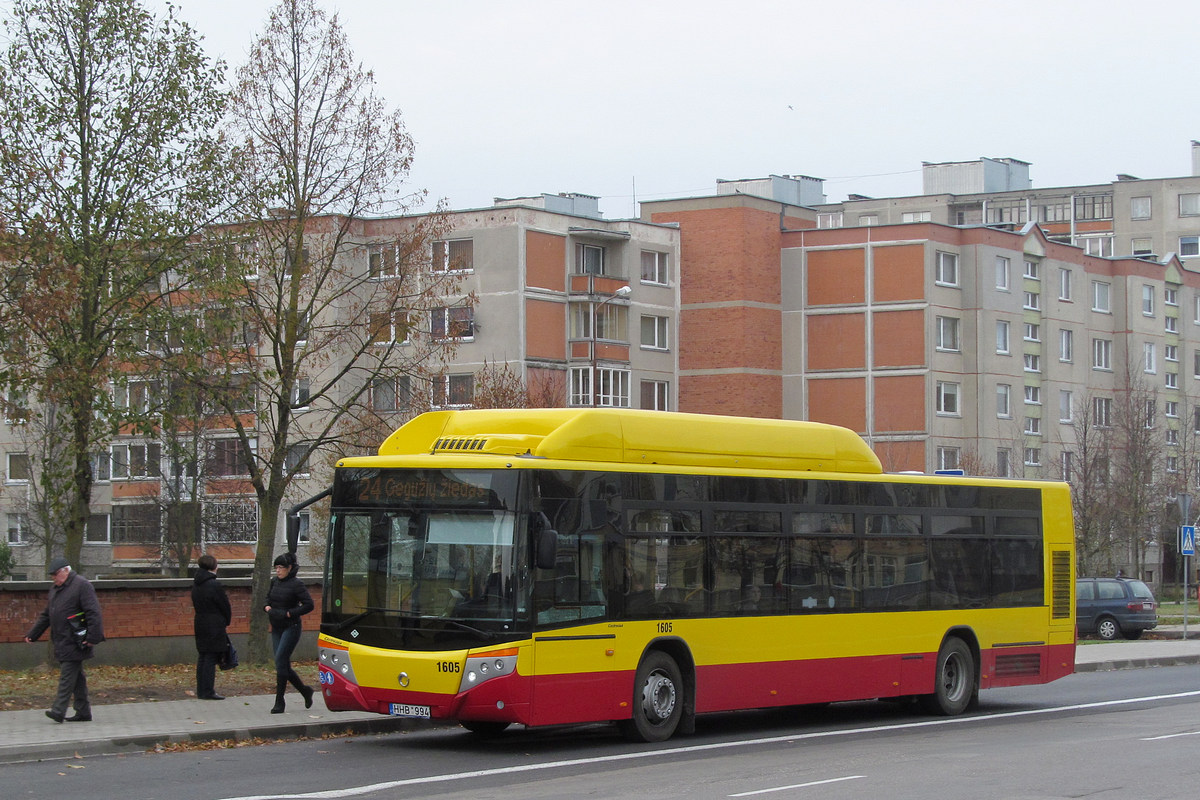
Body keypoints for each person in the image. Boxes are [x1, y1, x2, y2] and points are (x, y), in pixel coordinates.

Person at [24, 556, 106, 723]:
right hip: (62, 639)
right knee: (77, 679)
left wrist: (93, 638)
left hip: (77, 640)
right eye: (52, 576)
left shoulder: (82, 585)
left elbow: (93, 612)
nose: (53, 578)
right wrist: (33, 634)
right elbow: (47, 615)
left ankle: (58, 710)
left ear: (66, 571)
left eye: (55, 574)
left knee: (67, 676)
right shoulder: (55, 589)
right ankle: (83, 712)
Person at [264, 551, 315, 714]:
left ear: (289, 568)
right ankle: (305, 690)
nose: (278, 571)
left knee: (280, 660)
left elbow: (309, 605)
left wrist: (289, 613)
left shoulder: (296, 584)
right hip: (276, 626)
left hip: (291, 627)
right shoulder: (274, 582)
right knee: (282, 664)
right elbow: (267, 598)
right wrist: (267, 607)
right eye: (276, 567)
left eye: (281, 567)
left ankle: (280, 701)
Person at [192, 554, 232, 700]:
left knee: (203, 656)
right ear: (213, 566)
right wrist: (226, 620)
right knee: (211, 657)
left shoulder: (197, 584)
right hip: (214, 623)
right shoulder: (214, 585)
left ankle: (201, 690)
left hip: (200, 621)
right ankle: (208, 690)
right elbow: (224, 605)